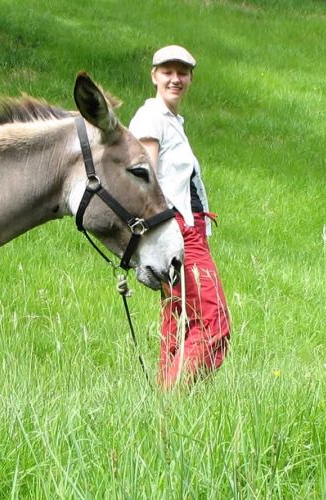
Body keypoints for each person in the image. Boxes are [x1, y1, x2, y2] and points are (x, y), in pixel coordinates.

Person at [126, 45, 231, 390]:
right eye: (167, 72)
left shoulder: (170, 121)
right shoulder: (151, 118)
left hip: (186, 229)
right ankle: (172, 400)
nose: (175, 79)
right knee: (215, 324)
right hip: (178, 232)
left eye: (182, 72)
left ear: (190, 78)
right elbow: (146, 182)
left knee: (178, 323)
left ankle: (161, 405)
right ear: (153, 75)